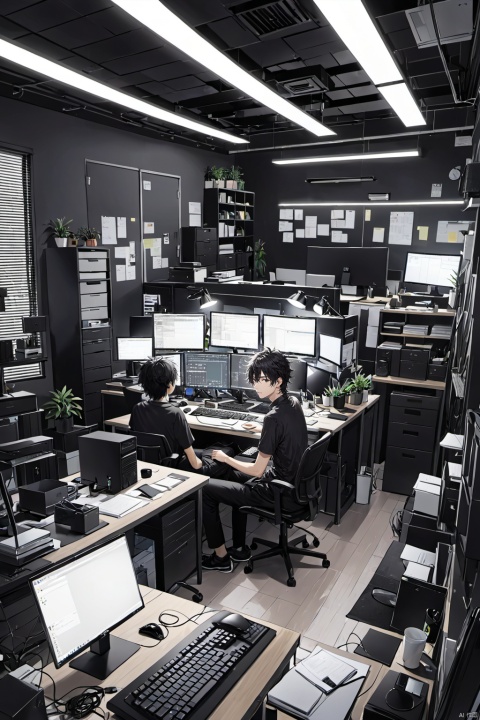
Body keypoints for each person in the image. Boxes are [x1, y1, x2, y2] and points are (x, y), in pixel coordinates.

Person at [202, 348, 309, 572]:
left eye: (262, 380)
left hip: (276, 492)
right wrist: (262, 429)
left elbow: (256, 471)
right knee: (227, 473)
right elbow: (284, 432)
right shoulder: (293, 403)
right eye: (255, 379)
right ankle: (239, 548)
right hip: (292, 487)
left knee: (206, 488)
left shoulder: (273, 417)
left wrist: (225, 457)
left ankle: (221, 558)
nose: (256, 385)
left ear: (278, 381)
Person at [130, 357, 226, 477]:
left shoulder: (137, 409)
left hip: (151, 468)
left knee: (207, 452)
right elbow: (195, 464)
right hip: (175, 470)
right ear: (169, 385)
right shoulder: (175, 414)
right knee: (225, 453)